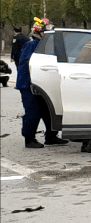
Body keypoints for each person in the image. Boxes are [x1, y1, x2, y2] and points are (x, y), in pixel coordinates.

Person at [16, 19, 68, 149]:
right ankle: (29, 139)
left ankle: (51, 136)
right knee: (33, 112)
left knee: (47, 111)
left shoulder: (42, 44)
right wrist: (32, 83)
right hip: (29, 85)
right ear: (39, 32)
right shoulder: (32, 45)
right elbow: (27, 66)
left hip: (41, 84)